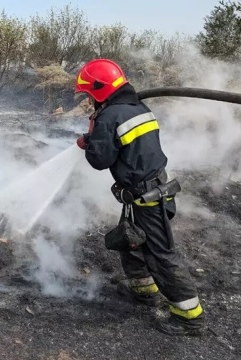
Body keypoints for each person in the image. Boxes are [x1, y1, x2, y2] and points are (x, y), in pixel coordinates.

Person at [74, 59, 206, 336]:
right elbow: (127, 146)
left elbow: (100, 160)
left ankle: (189, 318)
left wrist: (92, 141)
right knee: (130, 240)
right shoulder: (138, 108)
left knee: (161, 255)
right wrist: (95, 137)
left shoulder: (110, 116)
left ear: (98, 89)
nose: (87, 99)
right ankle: (144, 290)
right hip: (146, 192)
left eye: (88, 94)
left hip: (147, 197)